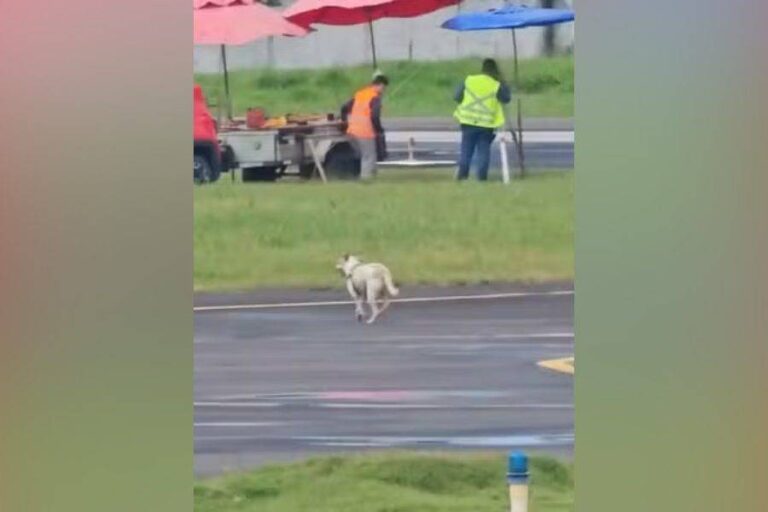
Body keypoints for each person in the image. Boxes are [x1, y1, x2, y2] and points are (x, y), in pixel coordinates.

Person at [453, 58, 511, 181]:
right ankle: (481, 177)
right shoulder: (495, 85)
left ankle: (462, 175)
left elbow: (456, 96)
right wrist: (503, 82)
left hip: (467, 120)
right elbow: (506, 98)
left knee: (466, 150)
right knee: (483, 151)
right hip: (486, 123)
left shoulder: (469, 80)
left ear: (482, 69)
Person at [341, 75, 389, 180]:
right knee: (369, 156)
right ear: (380, 85)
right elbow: (375, 116)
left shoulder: (360, 94)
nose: (383, 91)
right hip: (365, 132)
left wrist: (345, 122)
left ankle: (371, 177)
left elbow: (344, 108)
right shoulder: (374, 97)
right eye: (384, 88)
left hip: (352, 131)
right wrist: (379, 129)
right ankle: (366, 180)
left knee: (363, 155)